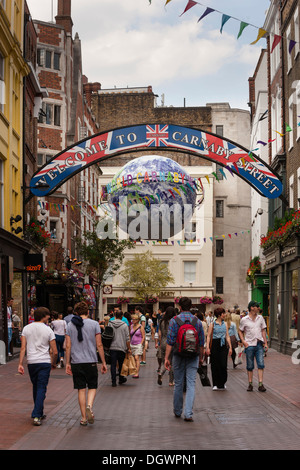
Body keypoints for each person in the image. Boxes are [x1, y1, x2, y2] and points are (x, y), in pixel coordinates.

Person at [65, 301, 107, 426]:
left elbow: (68, 346)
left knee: (81, 389)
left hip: (76, 362)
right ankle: (89, 406)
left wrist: (67, 362)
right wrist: (103, 361)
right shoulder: (94, 324)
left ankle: (83, 417)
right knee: (92, 386)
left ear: (76, 312)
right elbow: (99, 344)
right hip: (91, 361)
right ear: (88, 312)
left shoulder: (70, 325)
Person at [165, 297, 204, 422]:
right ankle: (188, 413)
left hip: (178, 355)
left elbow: (170, 341)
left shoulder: (174, 321)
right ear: (191, 306)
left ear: (180, 307)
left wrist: (167, 358)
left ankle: (177, 410)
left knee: (178, 383)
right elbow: (201, 343)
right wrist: (201, 357)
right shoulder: (197, 321)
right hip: (193, 355)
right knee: (191, 384)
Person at [18, 307, 58, 426]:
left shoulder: (26, 328)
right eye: (48, 316)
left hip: (32, 362)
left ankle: (39, 411)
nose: (49, 318)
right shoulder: (48, 330)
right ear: (44, 316)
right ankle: (36, 415)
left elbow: (23, 348)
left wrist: (20, 363)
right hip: (44, 362)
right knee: (41, 387)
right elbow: (54, 351)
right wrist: (53, 362)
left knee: (36, 386)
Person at [239, 300, 268, 392]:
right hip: (249, 345)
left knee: (261, 364)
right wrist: (243, 341)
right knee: (250, 365)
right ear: (252, 308)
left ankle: (260, 384)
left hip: (259, 343)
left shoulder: (260, 318)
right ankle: (250, 384)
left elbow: (263, 330)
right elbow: (240, 331)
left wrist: (266, 343)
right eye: (257, 306)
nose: (258, 308)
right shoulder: (244, 320)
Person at [206, 307, 232, 390]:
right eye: (223, 313)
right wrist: (207, 348)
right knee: (215, 365)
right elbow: (208, 337)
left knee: (223, 365)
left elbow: (227, 336)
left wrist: (230, 347)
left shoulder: (225, 324)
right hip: (215, 344)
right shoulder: (212, 324)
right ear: (219, 315)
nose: (224, 315)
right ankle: (215, 384)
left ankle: (222, 382)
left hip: (223, 344)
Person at [109, 310, 131, 387]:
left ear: (115, 316)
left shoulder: (110, 323)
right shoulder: (124, 325)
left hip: (112, 347)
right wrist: (128, 348)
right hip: (121, 347)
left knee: (113, 365)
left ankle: (113, 381)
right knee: (121, 364)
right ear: (122, 316)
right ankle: (121, 378)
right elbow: (127, 338)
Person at [157, 306, 176, 386]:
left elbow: (160, 334)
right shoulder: (173, 321)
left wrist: (160, 343)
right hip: (171, 343)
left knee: (165, 360)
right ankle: (171, 381)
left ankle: (160, 373)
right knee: (171, 362)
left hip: (163, 342)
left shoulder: (162, 321)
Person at [130, 314, 145, 378]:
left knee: (136, 358)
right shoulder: (131, 326)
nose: (132, 320)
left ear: (137, 320)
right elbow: (129, 335)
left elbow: (143, 336)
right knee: (133, 359)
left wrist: (141, 344)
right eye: (132, 319)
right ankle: (134, 371)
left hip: (138, 344)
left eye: (134, 319)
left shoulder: (140, 326)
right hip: (132, 344)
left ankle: (136, 373)